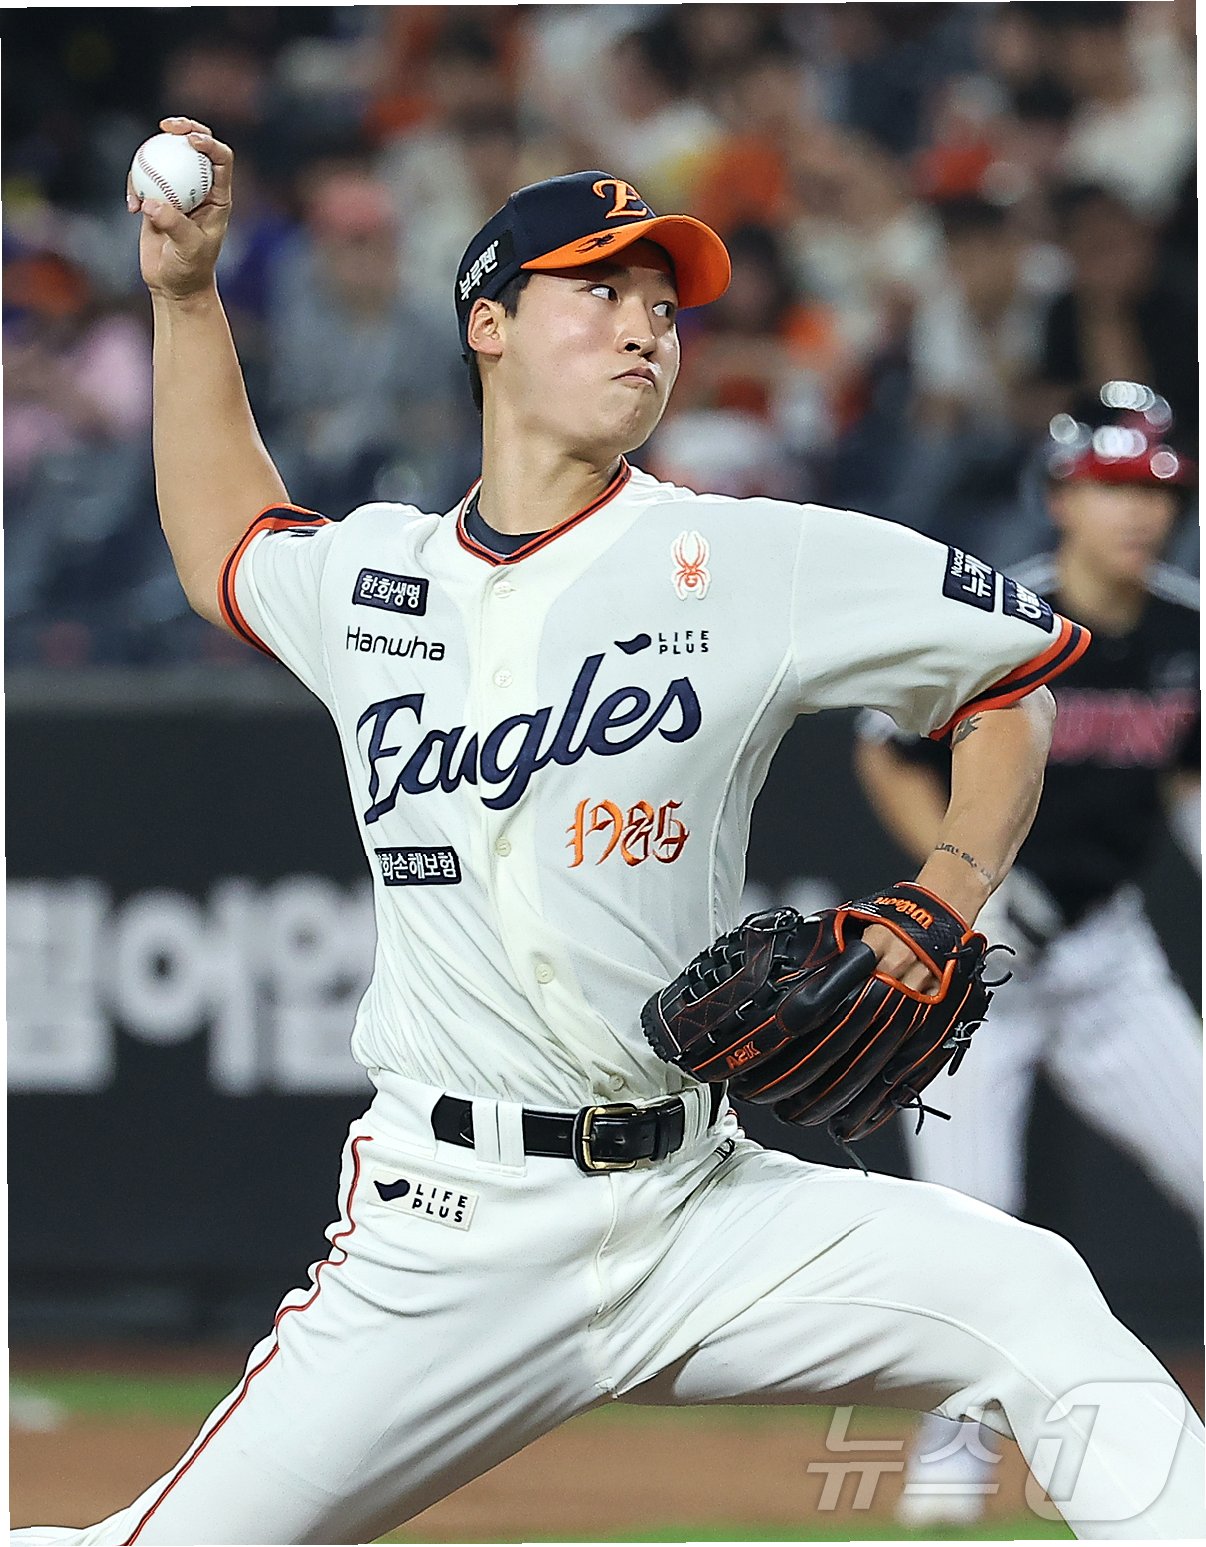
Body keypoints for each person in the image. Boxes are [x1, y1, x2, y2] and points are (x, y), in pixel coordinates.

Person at [14, 117, 1205, 1546]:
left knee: (1033, 1292)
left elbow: (1012, 674)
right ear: (490, 323)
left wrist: (948, 890)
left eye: (662, 303)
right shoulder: (376, 580)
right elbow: (225, 538)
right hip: (447, 1234)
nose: (646, 326)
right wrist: (186, 295)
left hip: (701, 1207)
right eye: (600, 290)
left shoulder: (749, 553)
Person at [854, 383, 1202, 1526]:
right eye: (1111, 485)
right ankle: (949, 1475)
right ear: (1060, 496)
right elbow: (886, 748)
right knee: (975, 1227)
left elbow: (1186, 776)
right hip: (982, 971)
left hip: (1105, 958)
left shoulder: (1187, 628)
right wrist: (967, 889)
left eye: (1153, 487)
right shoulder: (1008, 621)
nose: (1137, 511)